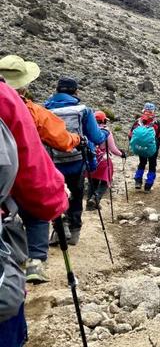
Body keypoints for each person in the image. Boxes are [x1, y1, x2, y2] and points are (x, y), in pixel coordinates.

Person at [0, 80, 68, 347]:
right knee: (38, 217)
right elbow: (53, 145)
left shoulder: (47, 106)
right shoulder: (11, 100)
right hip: (32, 180)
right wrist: (56, 203)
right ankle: (35, 264)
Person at [0, 56, 80, 283]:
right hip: (25, 175)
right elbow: (62, 140)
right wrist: (76, 140)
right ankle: (35, 261)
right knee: (36, 214)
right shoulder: (28, 109)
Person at [45, 77, 108, 246]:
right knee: (77, 193)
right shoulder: (83, 110)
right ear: (75, 92)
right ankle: (74, 232)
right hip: (77, 160)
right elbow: (96, 137)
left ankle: (60, 227)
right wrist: (105, 134)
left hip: (52, 161)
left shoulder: (44, 110)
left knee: (56, 193)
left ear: (57, 90)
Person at [86, 111, 126, 211]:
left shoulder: (87, 130)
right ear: (104, 120)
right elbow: (113, 149)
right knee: (106, 180)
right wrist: (121, 154)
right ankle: (95, 199)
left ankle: (89, 203)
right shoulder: (106, 132)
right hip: (103, 160)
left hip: (91, 159)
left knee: (93, 181)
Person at [129, 103, 160, 191]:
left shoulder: (138, 122)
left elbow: (130, 135)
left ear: (144, 110)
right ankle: (148, 186)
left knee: (142, 163)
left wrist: (134, 145)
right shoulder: (156, 123)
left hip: (141, 147)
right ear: (153, 112)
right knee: (152, 165)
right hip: (153, 149)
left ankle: (138, 181)